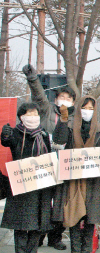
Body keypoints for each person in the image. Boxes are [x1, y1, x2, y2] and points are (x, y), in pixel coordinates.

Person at [52, 96, 100, 253]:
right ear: (79, 109)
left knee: (90, 219)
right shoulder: (70, 127)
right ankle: (75, 250)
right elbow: (58, 139)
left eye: (91, 109)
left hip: (93, 183)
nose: (87, 112)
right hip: (73, 182)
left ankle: (87, 250)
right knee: (73, 217)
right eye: (84, 108)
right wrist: (63, 121)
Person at [22, 65, 73, 250]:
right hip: (44, 163)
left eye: (68, 98)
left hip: (65, 166)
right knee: (44, 202)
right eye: (62, 97)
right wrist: (33, 79)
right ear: (56, 99)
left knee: (59, 204)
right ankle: (38, 237)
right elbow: (38, 95)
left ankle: (55, 238)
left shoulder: (75, 119)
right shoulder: (47, 110)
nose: (65, 101)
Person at [1, 103, 54, 253]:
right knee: (21, 226)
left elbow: (49, 156)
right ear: (21, 117)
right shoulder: (15, 133)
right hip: (22, 187)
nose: (33, 117)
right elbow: (6, 142)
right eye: (29, 114)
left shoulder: (43, 134)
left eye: (35, 114)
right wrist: (5, 134)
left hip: (40, 186)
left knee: (37, 224)